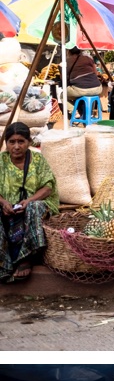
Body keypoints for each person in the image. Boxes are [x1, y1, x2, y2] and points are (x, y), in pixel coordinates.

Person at [0, 121, 58, 285]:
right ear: (7, 143)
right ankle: (3, 260)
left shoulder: (38, 160)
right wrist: (4, 203)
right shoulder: (1, 161)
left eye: (21, 141)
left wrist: (29, 200)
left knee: (35, 207)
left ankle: (27, 257)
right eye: (12, 142)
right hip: (8, 208)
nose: (16, 147)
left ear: (29, 143)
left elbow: (48, 187)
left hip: (36, 204)